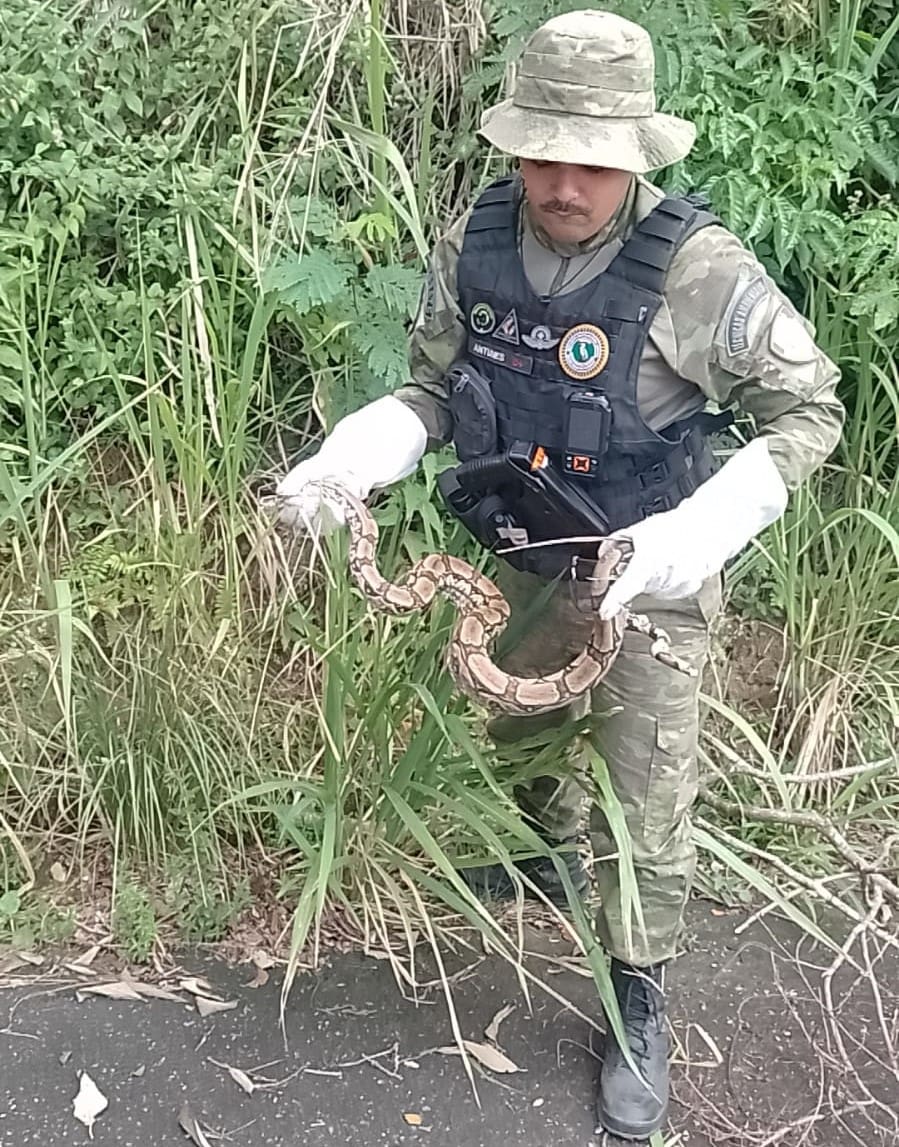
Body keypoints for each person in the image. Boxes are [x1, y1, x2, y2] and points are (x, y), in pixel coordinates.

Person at [273, 9, 845, 1140]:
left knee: (643, 786)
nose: (562, 182)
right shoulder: (477, 243)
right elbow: (438, 384)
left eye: (590, 162)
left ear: (634, 154)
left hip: (650, 570)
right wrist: (359, 456)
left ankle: (637, 992)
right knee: (521, 733)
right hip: (522, 554)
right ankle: (545, 860)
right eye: (542, 152)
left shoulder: (694, 269)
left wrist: (704, 526)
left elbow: (805, 408)